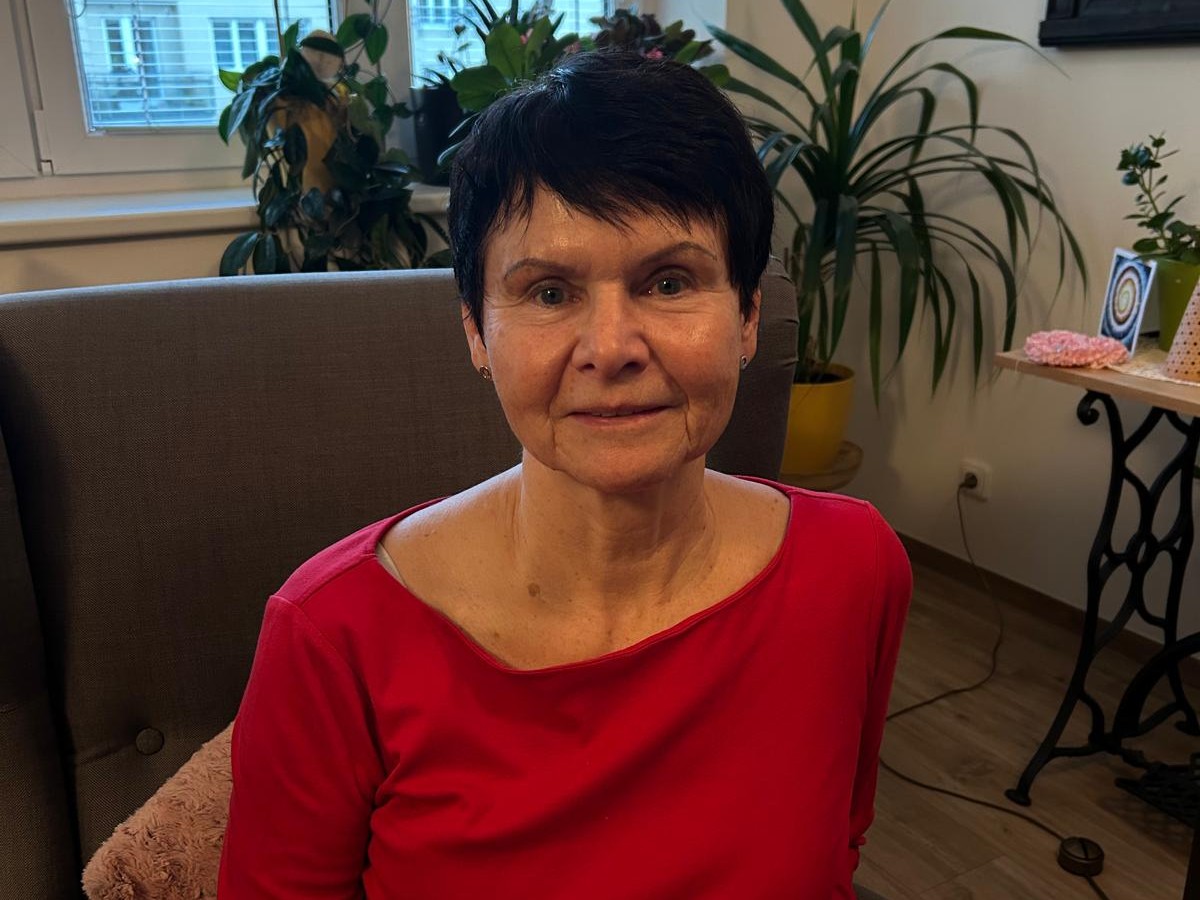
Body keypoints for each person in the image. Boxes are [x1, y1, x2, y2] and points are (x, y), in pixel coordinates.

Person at [218, 50, 911, 898]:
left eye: (670, 281)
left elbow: (837, 847)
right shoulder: (333, 636)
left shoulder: (855, 568)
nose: (611, 349)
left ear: (747, 318)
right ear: (476, 331)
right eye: (548, 292)